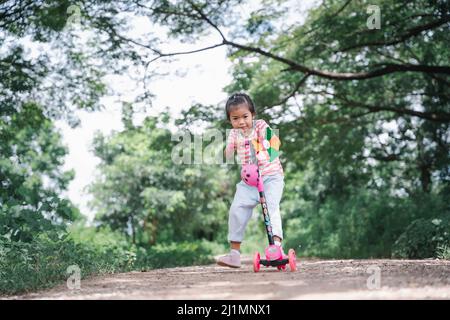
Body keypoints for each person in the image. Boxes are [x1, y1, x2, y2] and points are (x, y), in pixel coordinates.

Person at [217, 93, 285, 268]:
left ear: (253, 114)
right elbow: (228, 153)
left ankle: (276, 248)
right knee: (236, 210)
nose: (241, 122)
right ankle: (234, 254)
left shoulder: (260, 126)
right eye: (235, 118)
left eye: (245, 116)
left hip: (271, 177)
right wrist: (227, 151)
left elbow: (275, 144)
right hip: (249, 181)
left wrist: (264, 150)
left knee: (271, 208)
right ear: (230, 120)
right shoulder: (233, 134)